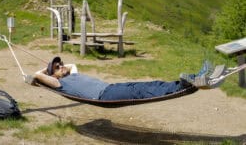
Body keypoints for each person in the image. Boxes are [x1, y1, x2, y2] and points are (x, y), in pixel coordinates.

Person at [28, 57, 219, 101]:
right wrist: (47, 70)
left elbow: (72, 65)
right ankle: (187, 83)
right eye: (57, 66)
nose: (62, 66)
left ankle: (194, 79)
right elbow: (37, 75)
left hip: (112, 87)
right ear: (52, 74)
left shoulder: (72, 74)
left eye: (60, 63)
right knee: (142, 92)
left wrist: (59, 67)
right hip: (104, 96)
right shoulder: (60, 84)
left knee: (149, 85)